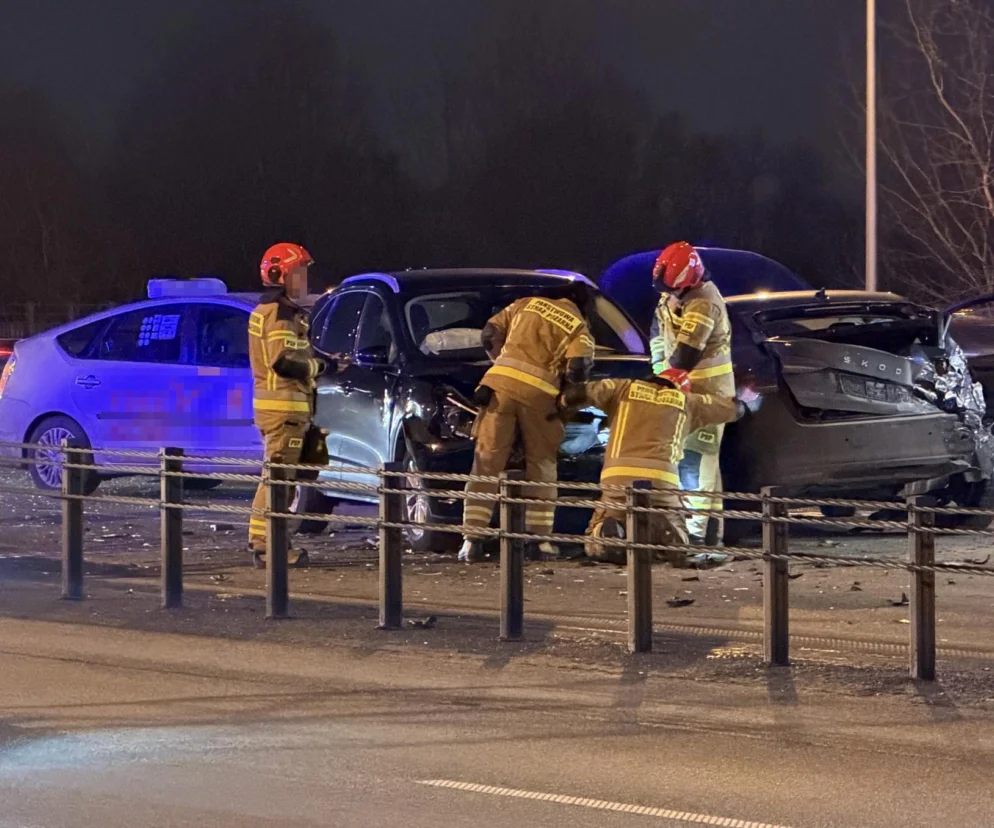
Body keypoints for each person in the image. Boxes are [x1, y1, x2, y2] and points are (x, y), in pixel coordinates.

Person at [459, 288, 596, 563]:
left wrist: (500, 365)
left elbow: (489, 333)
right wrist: (568, 395)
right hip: (540, 397)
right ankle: (539, 541)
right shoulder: (578, 325)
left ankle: (471, 541)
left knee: (486, 462)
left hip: (498, 388)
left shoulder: (525, 304)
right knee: (542, 464)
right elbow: (578, 366)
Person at [561, 369, 750, 563]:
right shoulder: (688, 401)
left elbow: (576, 394)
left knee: (600, 523)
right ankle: (670, 537)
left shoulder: (623, 388)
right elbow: (737, 410)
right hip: (662, 479)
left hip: (618, 476)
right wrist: (742, 395)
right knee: (675, 522)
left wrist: (563, 405)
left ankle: (607, 535)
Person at [247, 242, 347, 568]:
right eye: (300, 272)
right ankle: (269, 547)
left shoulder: (272, 310)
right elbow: (284, 362)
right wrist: (323, 367)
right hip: (284, 410)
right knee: (279, 483)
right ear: (281, 275)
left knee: (280, 480)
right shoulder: (281, 314)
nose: (305, 279)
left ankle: (266, 542)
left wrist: (325, 360)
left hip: (282, 411)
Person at [649, 241, 734, 545]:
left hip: (708, 394)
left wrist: (664, 379)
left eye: (673, 289)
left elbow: (686, 353)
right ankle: (708, 535)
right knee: (702, 465)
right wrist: (659, 369)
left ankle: (695, 534)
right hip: (686, 391)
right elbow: (658, 333)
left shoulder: (704, 302)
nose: (669, 294)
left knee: (695, 463)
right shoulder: (674, 293)